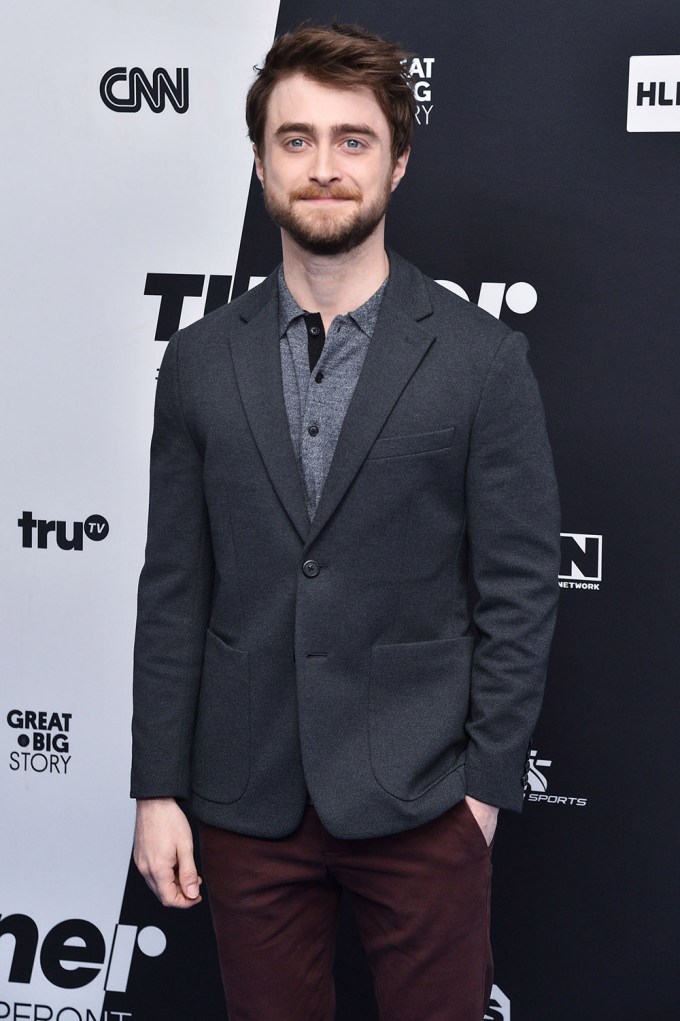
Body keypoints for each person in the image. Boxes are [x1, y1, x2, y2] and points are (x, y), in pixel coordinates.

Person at [131, 22, 560, 1021]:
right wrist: (158, 789)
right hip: (245, 798)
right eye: (296, 140)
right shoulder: (198, 362)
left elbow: (516, 590)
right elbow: (172, 590)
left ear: (397, 162)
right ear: (258, 161)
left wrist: (480, 794)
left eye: (351, 141)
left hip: (422, 799)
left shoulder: (479, 360)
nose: (323, 168)